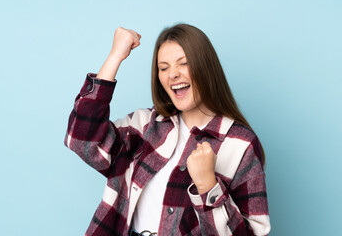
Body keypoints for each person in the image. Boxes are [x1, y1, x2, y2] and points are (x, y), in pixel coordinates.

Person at [64, 24, 271, 236]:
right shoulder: (144, 125)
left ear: (206, 68)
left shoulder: (241, 145)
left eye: (184, 63)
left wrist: (208, 186)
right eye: (163, 68)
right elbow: (82, 141)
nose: (172, 74)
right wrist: (115, 56)